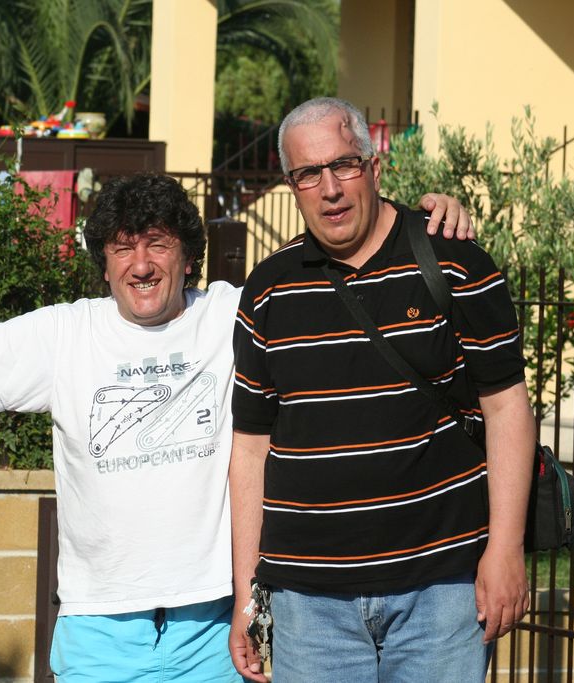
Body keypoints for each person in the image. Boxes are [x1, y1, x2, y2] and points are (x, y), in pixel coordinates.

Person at [0, 172, 474, 682]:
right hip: (99, 629)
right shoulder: (63, 335)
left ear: (187, 257)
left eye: (158, 244)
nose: (141, 264)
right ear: (104, 263)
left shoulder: (232, 314)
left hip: (214, 627)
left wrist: (418, 225)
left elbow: (342, 272)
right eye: (123, 248)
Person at [228, 97, 536, 683]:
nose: (330, 189)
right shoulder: (267, 291)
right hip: (307, 603)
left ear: (374, 167)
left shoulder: (454, 263)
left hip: (441, 590)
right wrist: (247, 596)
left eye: (343, 165)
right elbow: (250, 451)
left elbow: (507, 410)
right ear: (292, 186)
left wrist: (505, 549)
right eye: (308, 173)